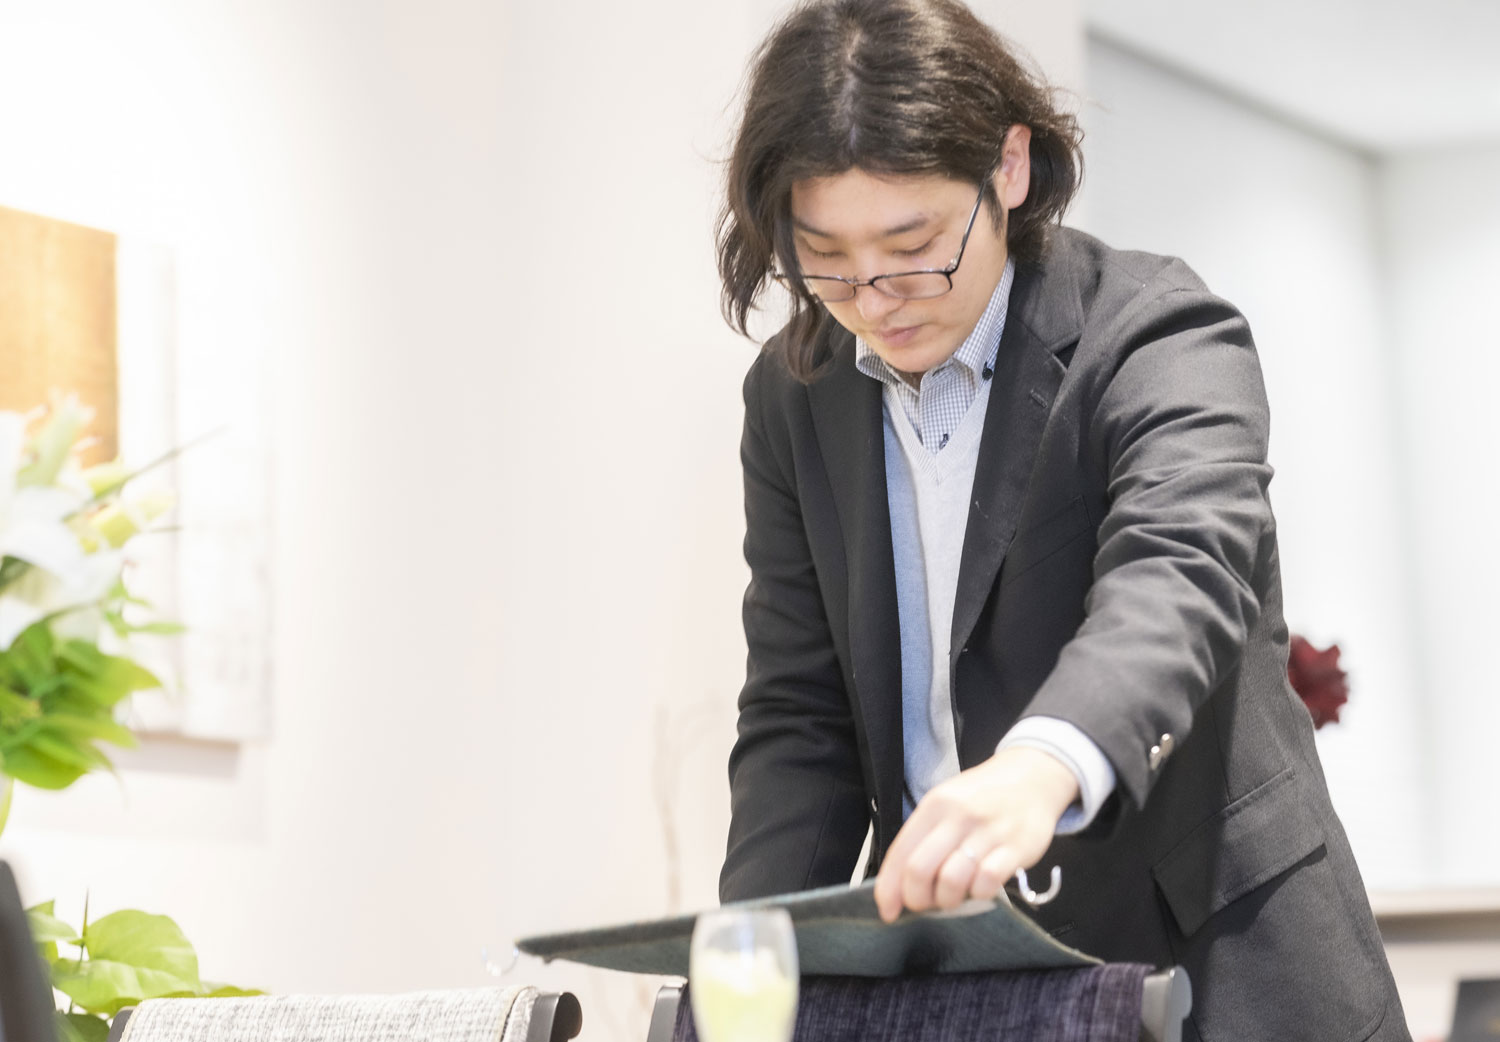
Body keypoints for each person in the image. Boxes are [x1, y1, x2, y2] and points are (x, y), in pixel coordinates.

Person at [712, 1, 1412, 1039]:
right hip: (978, 987)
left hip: (1224, 969)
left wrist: (1044, 764)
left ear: (1008, 166)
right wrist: (745, 970)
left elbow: (1180, 576)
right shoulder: (795, 395)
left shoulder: (1158, 332)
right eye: (827, 261)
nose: (877, 298)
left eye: (914, 247)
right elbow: (799, 713)